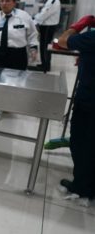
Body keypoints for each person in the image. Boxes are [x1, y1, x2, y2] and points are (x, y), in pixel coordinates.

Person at [56, 15, 95, 207]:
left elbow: (63, 41)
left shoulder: (92, 37)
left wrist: (77, 26)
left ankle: (81, 188)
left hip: (89, 102)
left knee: (81, 143)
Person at [34, 0, 61, 72]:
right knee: (43, 45)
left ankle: (46, 65)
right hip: (46, 26)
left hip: (48, 27)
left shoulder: (53, 1)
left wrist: (35, 20)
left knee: (46, 46)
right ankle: (44, 63)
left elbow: (45, 14)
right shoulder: (51, 0)